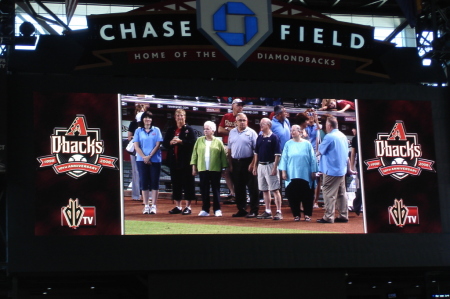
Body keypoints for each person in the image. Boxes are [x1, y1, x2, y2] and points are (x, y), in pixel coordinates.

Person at [279, 123, 318, 222]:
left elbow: (313, 159)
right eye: (291, 130)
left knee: (307, 196)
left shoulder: (307, 144)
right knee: (293, 195)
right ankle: (296, 214)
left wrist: (314, 171)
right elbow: (284, 158)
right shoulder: (288, 144)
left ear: (300, 131)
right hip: (292, 174)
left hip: (306, 174)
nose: (292, 132)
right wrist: (283, 171)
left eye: (294, 130)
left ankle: (307, 214)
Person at [163, 109, 197, 215]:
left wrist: (181, 142)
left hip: (186, 162)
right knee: (176, 185)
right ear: (175, 117)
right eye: (178, 115)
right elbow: (165, 144)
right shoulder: (171, 129)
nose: (180, 117)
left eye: (181, 115)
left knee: (188, 185)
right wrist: (171, 142)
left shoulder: (189, 129)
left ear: (185, 117)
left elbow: (193, 143)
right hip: (174, 162)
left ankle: (188, 207)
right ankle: (178, 206)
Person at [316, 116, 350, 223]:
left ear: (329, 126)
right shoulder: (343, 136)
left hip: (331, 170)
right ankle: (343, 215)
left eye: (326, 125)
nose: (325, 127)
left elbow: (320, 150)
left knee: (328, 192)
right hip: (341, 169)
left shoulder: (329, 137)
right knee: (341, 193)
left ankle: (328, 216)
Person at [191, 121, 228, 217]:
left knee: (216, 190)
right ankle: (205, 209)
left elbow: (223, 156)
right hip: (203, 169)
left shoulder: (218, 142)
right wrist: (194, 168)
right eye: (204, 129)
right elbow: (194, 155)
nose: (205, 131)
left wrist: (224, 169)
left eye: (207, 129)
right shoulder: (199, 141)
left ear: (213, 131)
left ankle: (217, 209)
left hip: (215, 169)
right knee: (204, 190)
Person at [228, 113, 259, 217]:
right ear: (236, 122)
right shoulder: (232, 132)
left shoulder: (252, 133)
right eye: (240, 120)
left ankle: (254, 210)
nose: (242, 122)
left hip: (248, 161)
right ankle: (241, 209)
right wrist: (230, 164)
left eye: (244, 120)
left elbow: (256, 151)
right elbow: (229, 149)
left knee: (252, 187)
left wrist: (253, 164)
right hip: (236, 162)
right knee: (238, 187)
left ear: (247, 121)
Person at [251, 118, 283, 220]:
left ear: (268, 125)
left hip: (270, 165)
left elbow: (277, 154)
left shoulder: (274, 137)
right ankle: (267, 211)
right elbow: (256, 153)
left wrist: (274, 168)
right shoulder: (259, 137)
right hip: (261, 165)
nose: (261, 125)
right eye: (260, 123)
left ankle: (278, 211)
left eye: (263, 124)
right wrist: (255, 166)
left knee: (275, 189)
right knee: (264, 189)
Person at [133, 110, 163, 215]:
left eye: (149, 117)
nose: (147, 119)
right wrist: (144, 157)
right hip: (141, 160)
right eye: (145, 117)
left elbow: (158, 144)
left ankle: (153, 206)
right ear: (142, 119)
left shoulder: (157, 130)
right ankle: (146, 205)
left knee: (154, 182)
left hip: (155, 160)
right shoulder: (138, 131)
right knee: (144, 182)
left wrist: (149, 156)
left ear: (152, 119)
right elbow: (136, 146)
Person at [218, 98, 243, 203]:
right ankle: (232, 193)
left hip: (238, 147)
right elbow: (219, 130)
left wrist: (231, 130)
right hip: (226, 145)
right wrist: (232, 132)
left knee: (238, 171)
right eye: (238, 105)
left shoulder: (243, 118)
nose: (240, 107)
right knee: (226, 171)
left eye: (241, 105)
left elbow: (243, 131)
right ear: (233, 105)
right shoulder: (227, 116)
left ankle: (239, 194)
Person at [127, 104, 145, 201]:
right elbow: (129, 137)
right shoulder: (133, 123)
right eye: (139, 111)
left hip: (145, 150)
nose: (141, 113)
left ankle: (146, 194)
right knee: (135, 172)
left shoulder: (147, 123)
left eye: (142, 110)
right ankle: (136, 195)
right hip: (134, 149)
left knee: (145, 171)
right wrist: (135, 137)